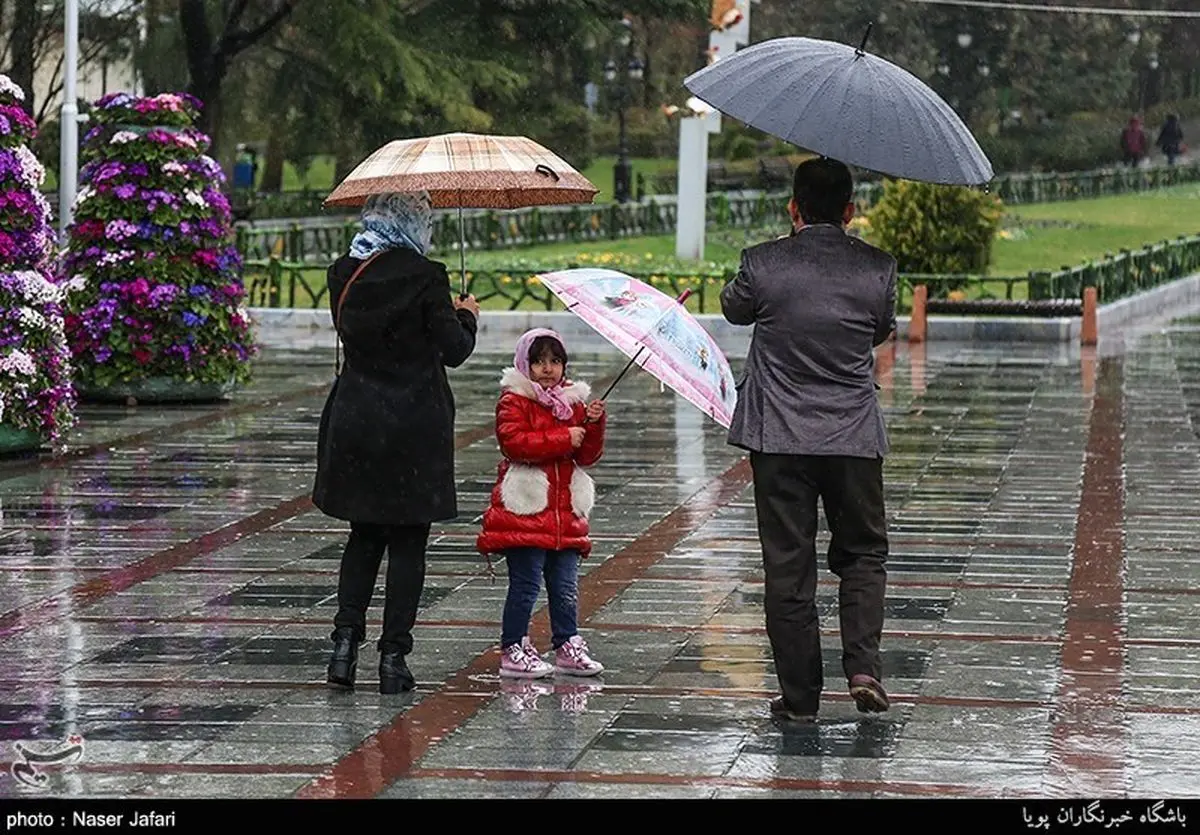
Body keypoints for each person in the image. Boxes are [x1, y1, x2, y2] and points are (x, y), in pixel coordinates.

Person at [719, 157, 897, 722]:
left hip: (780, 440)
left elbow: (732, 306)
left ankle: (800, 699)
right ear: (850, 211)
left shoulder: (764, 263)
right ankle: (863, 668)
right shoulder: (877, 269)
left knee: (788, 567)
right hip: (851, 438)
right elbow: (881, 328)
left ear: (793, 207)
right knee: (863, 552)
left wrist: (781, 249)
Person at [313, 189, 481, 694]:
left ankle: (344, 649)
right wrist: (466, 314)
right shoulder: (426, 275)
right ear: (413, 221)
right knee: (408, 542)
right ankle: (393, 660)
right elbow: (454, 350)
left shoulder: (344, 272)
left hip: (358, 422)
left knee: (363, 537)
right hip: (413, 427)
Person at [476, 328, 608, 679]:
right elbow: (515, 443)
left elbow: (588, 455)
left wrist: (592, 425)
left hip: (565, 511)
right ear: (525, 364)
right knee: (526, 583)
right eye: (538, 362)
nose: (548, 369)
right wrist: (564, 436)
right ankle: (513, 646)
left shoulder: (574, 403)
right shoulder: (514, 400)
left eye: (555, 361)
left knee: (565, 585)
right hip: (528, 508)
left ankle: (567, 643)